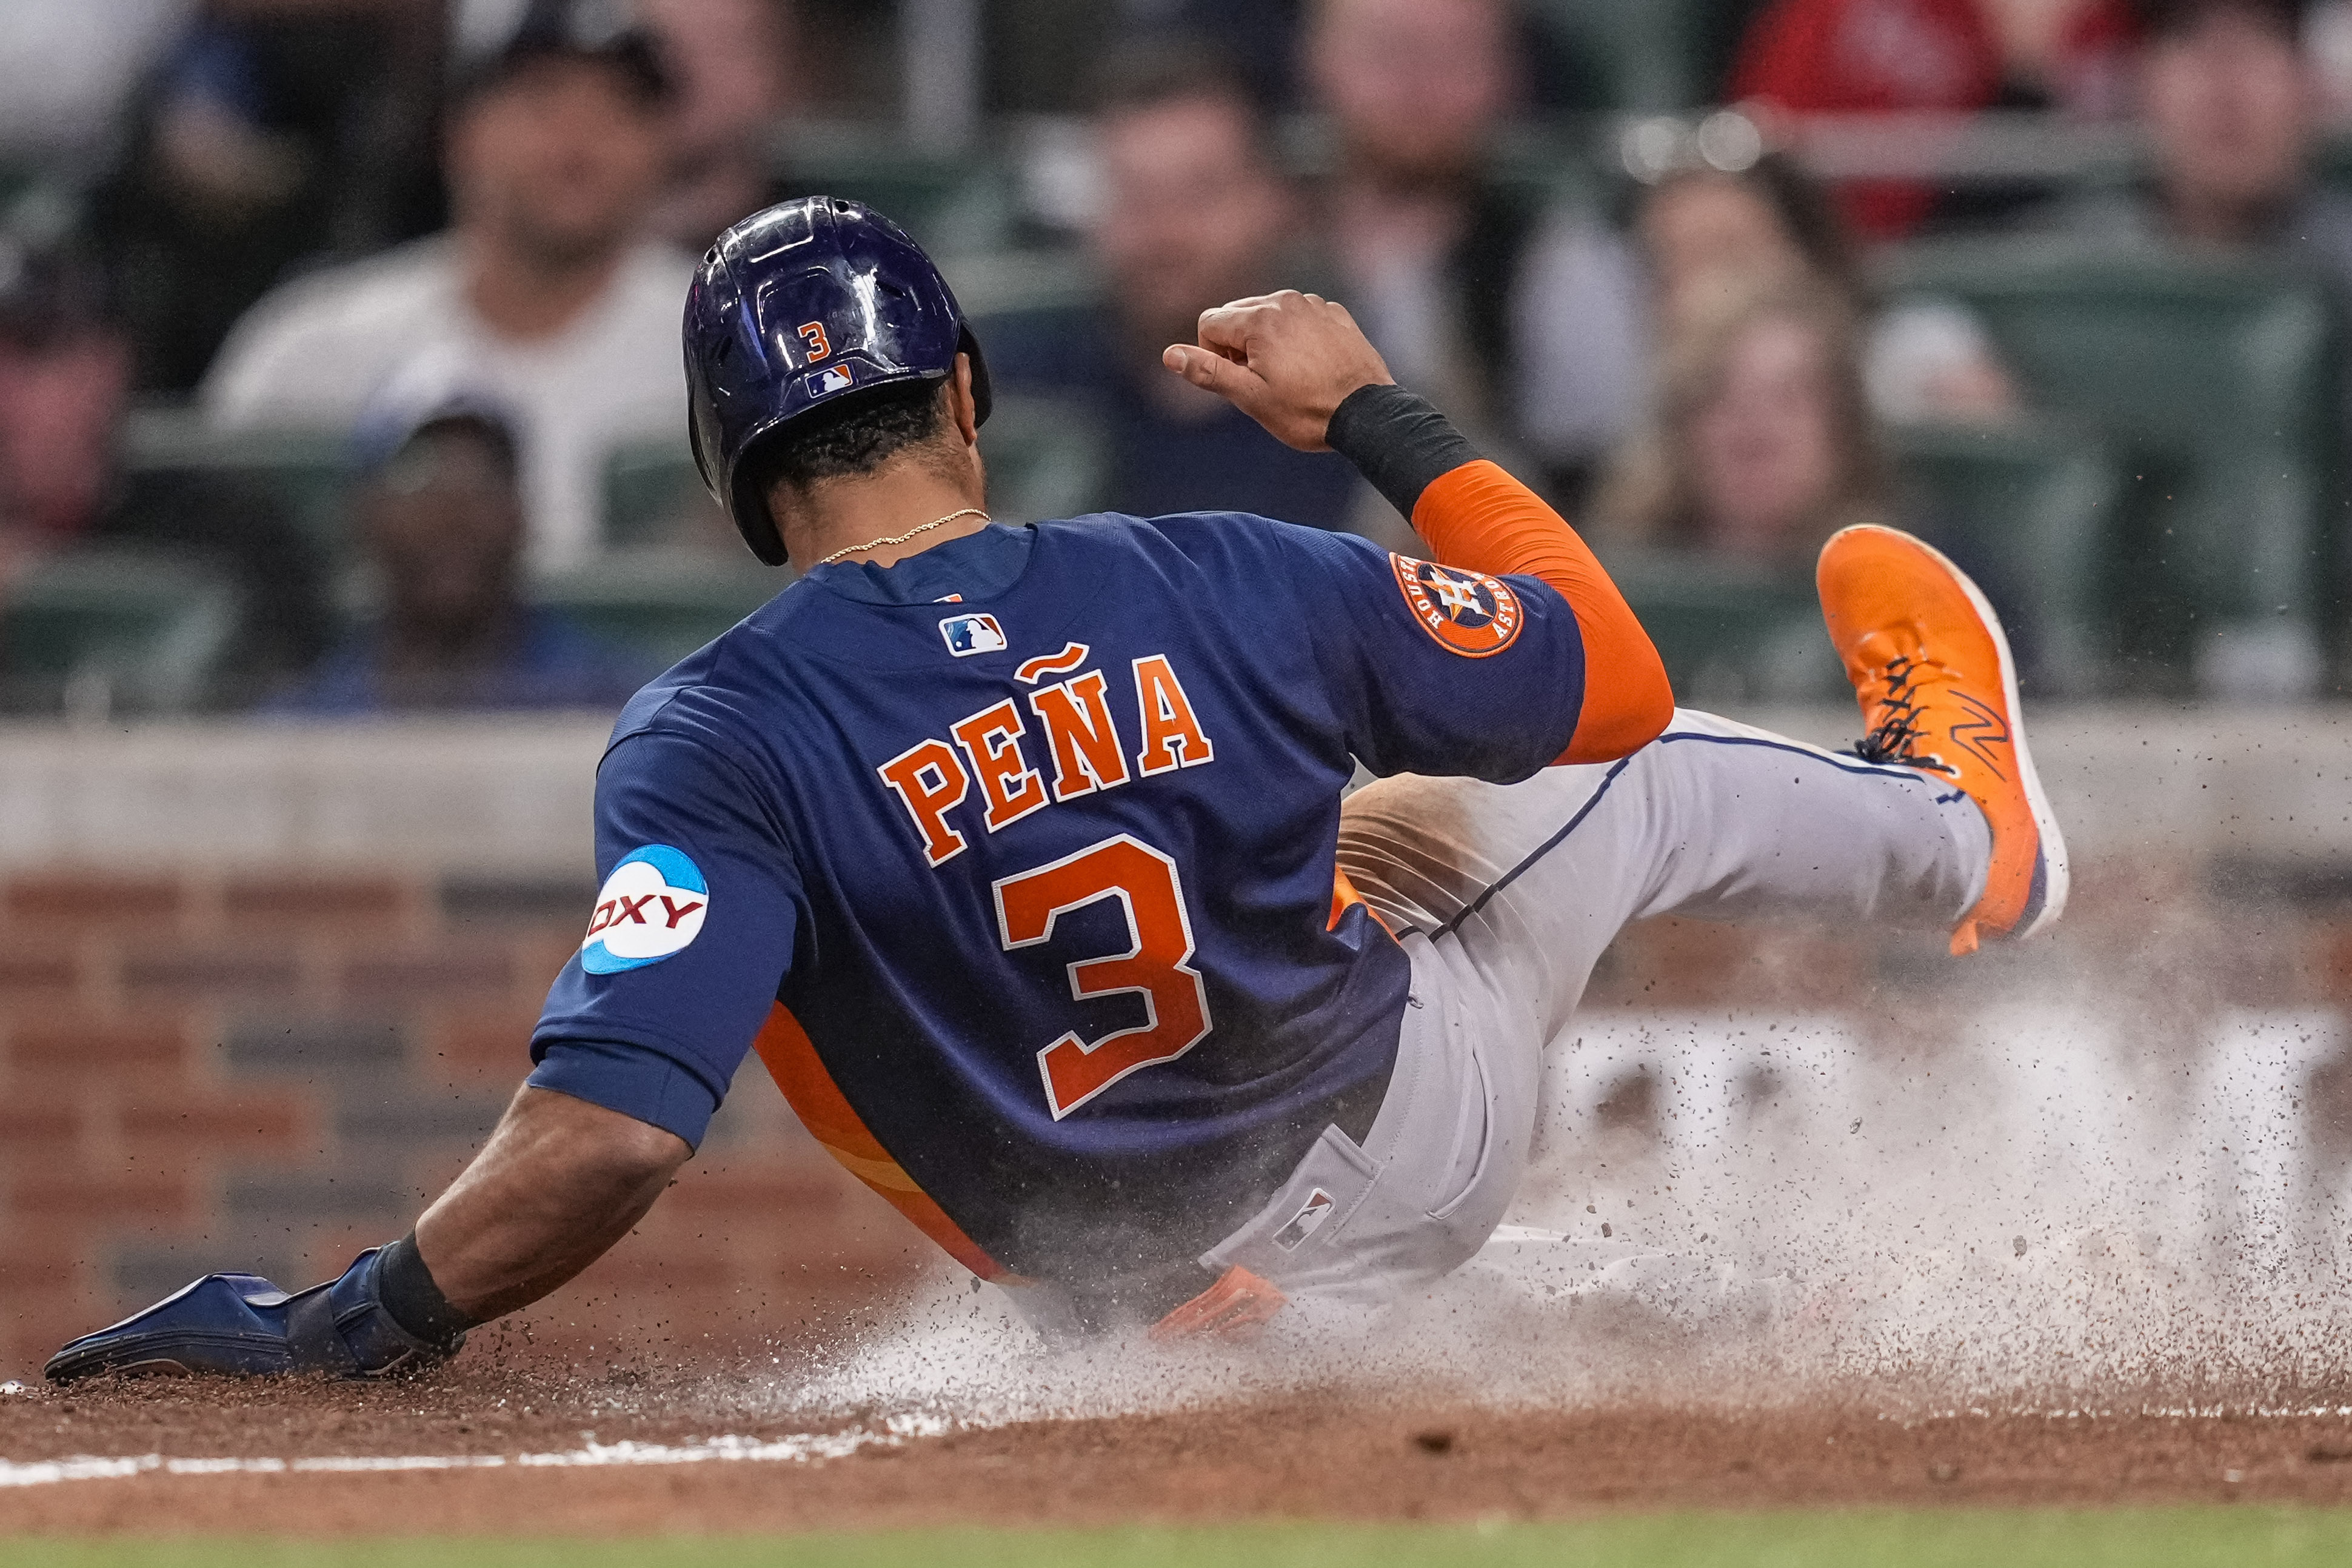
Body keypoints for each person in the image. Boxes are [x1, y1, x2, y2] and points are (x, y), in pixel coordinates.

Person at [42, 197, 2065, 1377]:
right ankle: (1962, 835)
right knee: (1614, 788)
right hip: (1402, 1129)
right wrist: (1372, 406)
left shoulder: (712, 731)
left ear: (733, 469)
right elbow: (1603, 672)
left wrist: (361, 1319)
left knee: (1198, 892)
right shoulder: (1205, 563)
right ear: (968, 396)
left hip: (1156, 1299)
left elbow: (609, 1137)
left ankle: (1414, 1304)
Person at [199, 0, 689, 572]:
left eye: (620, 111)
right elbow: (211, 560)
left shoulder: (731, 342)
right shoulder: (311, 345)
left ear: (663, 148)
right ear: (458, 134)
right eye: (544, 102)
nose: (579, 141)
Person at [984, 44, 1378, 541]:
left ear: (1277, 202)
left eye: (1201, 193)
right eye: (1134, 194)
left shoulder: (1353, 418)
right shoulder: (1020, 398)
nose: (1165, 232)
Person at [1303, 0, 1647, 500]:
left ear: (1506, 73)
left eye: (1453, 56)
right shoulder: (1247, 245)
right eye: (1390, 50)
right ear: (1318, 56)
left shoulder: (1554, 263)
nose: (1418, 84)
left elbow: (1592, 479)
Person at [0, 230, 330, 701]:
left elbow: (277, 723)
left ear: (108, 370)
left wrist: (51, 588)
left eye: (34, 353)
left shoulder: (229, 536)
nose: (3, 393)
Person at [265, 400, 650, 715]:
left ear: (521, 514)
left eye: (481, 480)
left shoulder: (618, 708)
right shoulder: (304, 723)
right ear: (365, 516)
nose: (452, 515)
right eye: (418, 481)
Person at [1731, 0, 2139, 238]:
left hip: (2020, 256)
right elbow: (1759, 133)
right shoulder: (1848, 11)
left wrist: (2030, 60)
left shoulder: (2121, 24)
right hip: (1834, 254)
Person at [2034, 0, 2352, 287]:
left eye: (2262, 36)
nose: (2225, 84)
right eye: (2186, 36)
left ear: (2311, 80)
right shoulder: (2062, 271)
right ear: (2142, 80)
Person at [1593, 279, 1889, 566]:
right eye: (1721, 394)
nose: (1757, 424)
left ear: (1843, 425)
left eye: (1789, 397)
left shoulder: (1891, 579)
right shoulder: (1617, 575)